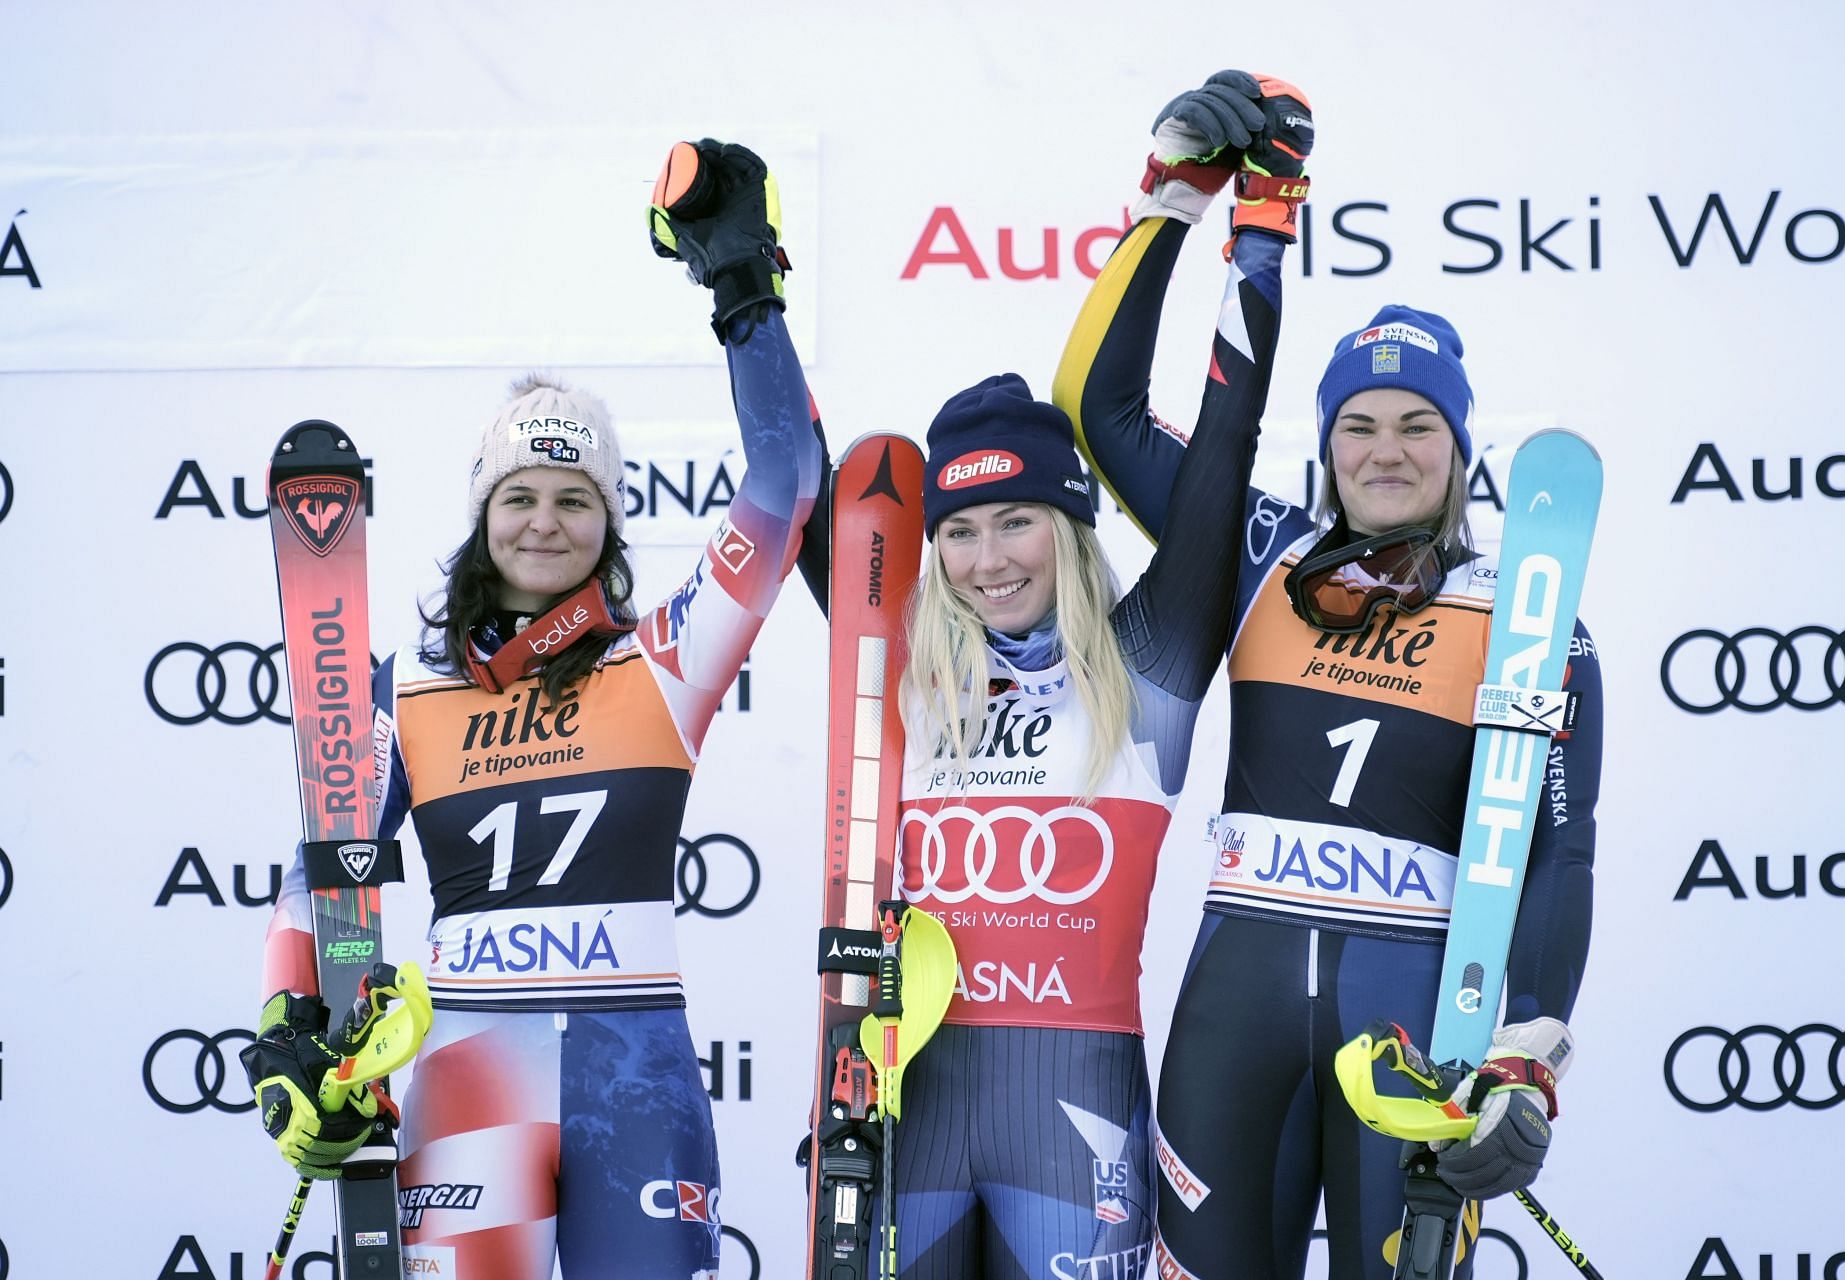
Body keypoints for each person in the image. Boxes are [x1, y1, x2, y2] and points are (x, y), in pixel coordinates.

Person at [1055, 73, 1604, 1280]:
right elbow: (1098, 411)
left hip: (1412, 1018)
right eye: (1359, 424)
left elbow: (1560, 853)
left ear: (1460, 448)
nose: (1387, 450)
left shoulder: (1528, 615)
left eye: (1419, 424)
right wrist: (1176, 205)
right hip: (1234, 1009)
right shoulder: (1258, 553)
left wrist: (1526, 1052)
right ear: (1327, 441)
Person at [240, 140, 821, 1279]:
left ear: (608, 522)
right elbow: (319, 873)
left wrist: (744, 291)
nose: (544, 522)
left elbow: (784, 479)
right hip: (473, 1072)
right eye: (519, 497)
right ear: (482, 514)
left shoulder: (664, 660)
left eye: (573, 498)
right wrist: (284, 1028)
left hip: (634, 1078)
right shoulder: (409, 691)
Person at [788, 80, 1305, 1280]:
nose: (983, 559)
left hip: (1078, 1120)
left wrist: (1253, 227)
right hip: (907, 1108)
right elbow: (801, 480)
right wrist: (745, 292)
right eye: (958, 532)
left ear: (1069, 531)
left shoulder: (1151, 659)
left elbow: (1225, 446)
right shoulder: (911, 658)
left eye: (1014, 521)